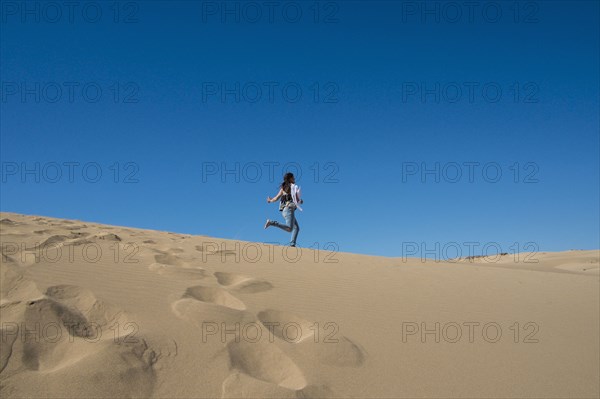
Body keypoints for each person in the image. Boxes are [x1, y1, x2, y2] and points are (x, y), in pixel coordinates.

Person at [264, 172, 303, 247]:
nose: (294, 179)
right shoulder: (294, 187)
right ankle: (271, 223)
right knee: (289, 228)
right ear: (290, 178)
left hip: (286, 210)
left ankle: (292, 244)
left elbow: (276, 198)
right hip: (289, 210)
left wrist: (270, 200)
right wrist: (301, 201)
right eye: (293, 177)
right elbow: (297, 199)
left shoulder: (283, 188)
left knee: (296, 228)